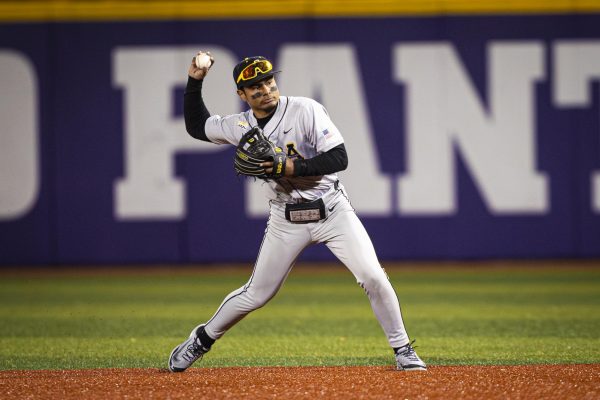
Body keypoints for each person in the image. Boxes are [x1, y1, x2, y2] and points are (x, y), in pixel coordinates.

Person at [168, 52, 426, 372]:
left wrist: (290, 165)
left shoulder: (305, 109)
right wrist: (195, 80)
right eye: (254, 86)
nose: (265, 88)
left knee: (373, 276)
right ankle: (201, 339)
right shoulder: (239, 126)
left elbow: (339, 158)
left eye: (268, 80)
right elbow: (197, 127)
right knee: (256, 295)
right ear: (242, 95)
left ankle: (403, 350)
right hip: (285, 218)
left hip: (332, 210)